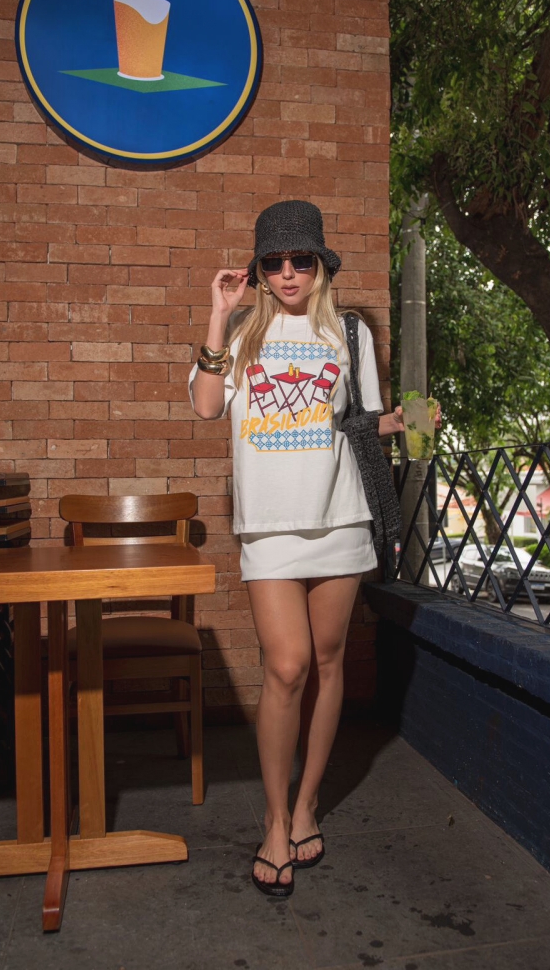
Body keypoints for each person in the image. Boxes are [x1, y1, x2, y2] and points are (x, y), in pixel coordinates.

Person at [188, 200, 440, 897]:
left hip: (340, 520)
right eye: (274, 262)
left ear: (321, 264)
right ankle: (273, 819)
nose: (288, 273)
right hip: (269, 526)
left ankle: (305, 807)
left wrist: (406, 421)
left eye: (301, 260)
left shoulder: (348, 332)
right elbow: (206, 407)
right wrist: (217, 314)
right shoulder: (242, 331)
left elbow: (358, 423)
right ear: (259, 269)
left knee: (328, 663)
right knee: (287, 666)